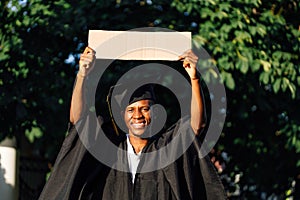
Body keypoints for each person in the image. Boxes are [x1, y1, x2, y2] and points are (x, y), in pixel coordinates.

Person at [39, 47, 226, 199]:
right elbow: (79, 122)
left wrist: (194, 78)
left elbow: (196, 126)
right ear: (123, 116)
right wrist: (82, 76)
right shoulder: (109, 150)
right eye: (131, 110)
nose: (138, 115)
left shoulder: (166, 149)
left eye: (145, 108)